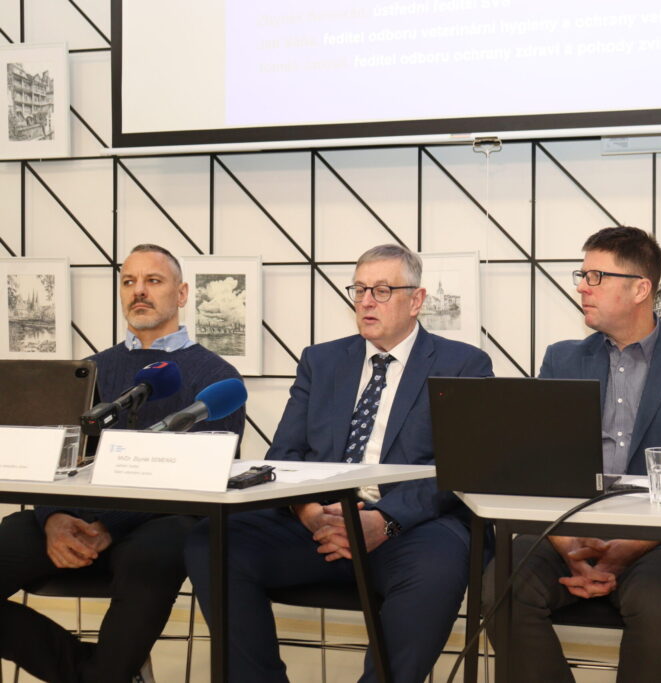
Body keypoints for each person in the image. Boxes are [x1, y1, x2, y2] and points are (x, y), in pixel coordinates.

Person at [184, 243, 493, 683]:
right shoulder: (322, 361)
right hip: (320, 521)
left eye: (382, 290)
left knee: (438, 567)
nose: (366, 301)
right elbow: (285, 455)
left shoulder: (462, 364)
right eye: (359, 289)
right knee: (211, 542)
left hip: (410, 527)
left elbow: (458, 468)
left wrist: (384, 521)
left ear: (416, 300)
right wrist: (310, 514)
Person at [486, 226, 661, 682]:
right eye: (582, 275)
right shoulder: (561, 359)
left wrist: (628, 548)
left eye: (596, 276)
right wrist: (567, 545)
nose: (582, 286)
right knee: (499, 588)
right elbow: (540, 464)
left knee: (660, 607)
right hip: (566, 531)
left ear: (641, 289)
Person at [0, 243, 245, 683]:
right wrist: (53, 517)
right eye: (129, 281)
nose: (139, 291)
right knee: (13, 533)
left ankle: (107, 673)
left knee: (162, 548)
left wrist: (108, 525)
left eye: (153, 280)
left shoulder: (216, 378)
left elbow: (197, 478)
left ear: (182, 294)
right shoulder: (89, 370)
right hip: (75, 518)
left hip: (161, 522)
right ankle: (94, 672)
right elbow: (54, 458)